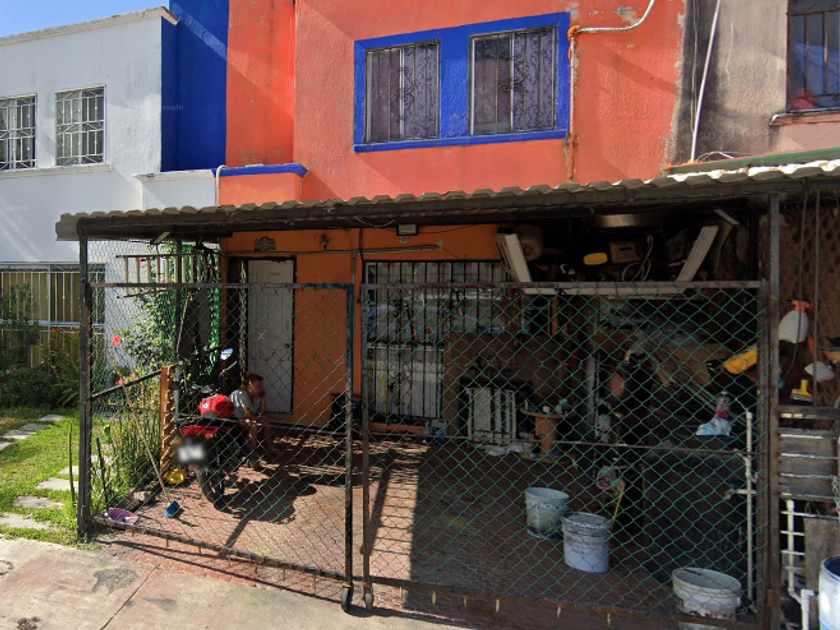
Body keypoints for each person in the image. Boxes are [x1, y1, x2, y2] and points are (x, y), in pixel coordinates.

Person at [230, 373, 271, 461]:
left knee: (266, 419)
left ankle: (269, 446)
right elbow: (247, 414)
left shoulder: (256, 396)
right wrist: (259, 418)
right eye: (257, 387)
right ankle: (252, 452)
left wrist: (263, 399)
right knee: (253, 424)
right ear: (249, 385)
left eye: (261, 387)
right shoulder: (240, 394)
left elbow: (261, 412)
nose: (260, 389)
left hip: (249, 418)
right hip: (236, 419)